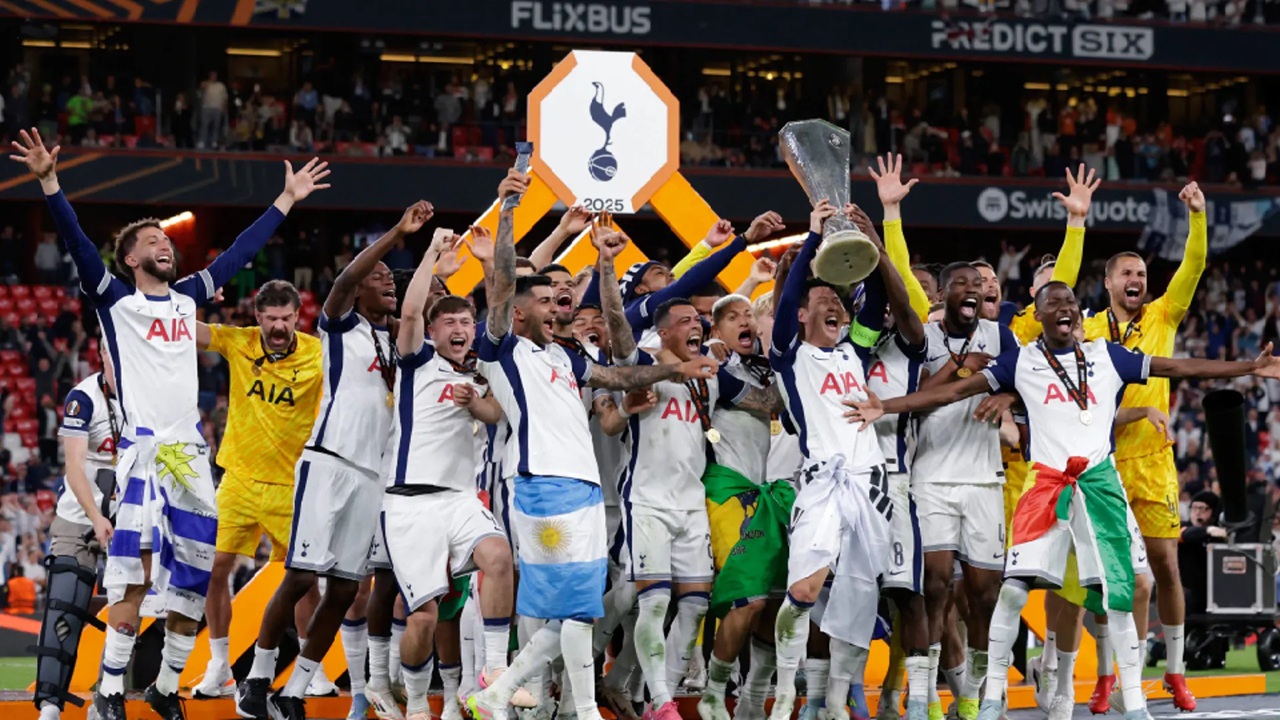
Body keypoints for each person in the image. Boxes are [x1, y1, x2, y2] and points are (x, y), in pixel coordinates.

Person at [843, 281, 1280, 720]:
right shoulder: (1022, 360)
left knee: (1119, 594)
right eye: (1053, 302)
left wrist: (1249, 367)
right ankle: (991, 699)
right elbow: (955, 391)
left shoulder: (1108, 356)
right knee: (1011, 593)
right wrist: (888, 407)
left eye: (1070, 301)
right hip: (1046, 487)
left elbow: (1178, 366)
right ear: (1040, 316)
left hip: (1100, 487)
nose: (1065, 307)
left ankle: (1134, 704)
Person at [10, 127, 330, 720]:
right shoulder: (114, 299)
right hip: (142, 454)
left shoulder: (186, 298)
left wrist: (286, 200)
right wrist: (50, 183)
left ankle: (164, 687)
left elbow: (238, 255)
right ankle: (109, 691)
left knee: (193, 580)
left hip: (190, 456)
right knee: (132, 579)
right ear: (131, 258)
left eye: (166, 239)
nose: (165, 244)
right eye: (152, 240)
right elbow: (77, 242)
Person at [465, 169, 718, 720]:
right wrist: (507, 210)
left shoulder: (565, 356)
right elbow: (502, 283)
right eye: (545, 301)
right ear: (519, 312)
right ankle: (514, 695)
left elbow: (619, 377)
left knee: (579, 611)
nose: (557, 306)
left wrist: (673, 370)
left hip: (582, 490)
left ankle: (541, 702)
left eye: (557, 300)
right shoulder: (503, 351)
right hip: (543, 487)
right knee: (561, 610)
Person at [236, 200, 432, 720]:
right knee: (301, 577)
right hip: (329, 462)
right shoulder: (341, 325)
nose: (388, 282)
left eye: (391, 277)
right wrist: (397, 233)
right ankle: (257, 679)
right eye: (379, 277)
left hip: (373, 479)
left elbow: (423, 312)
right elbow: (345, 280)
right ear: (361, 287)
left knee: (346, 590)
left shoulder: (400, 341)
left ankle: (295, 690)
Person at [1080, 181, 1207, 714]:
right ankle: (1106, 675)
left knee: (1166, 568)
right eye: (1127, 274)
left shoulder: (1162, 316)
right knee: (1111, 577)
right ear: (1109, 282)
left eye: (1142, 275)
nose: (1137, 280)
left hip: (1154, 463)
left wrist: (1197, 217)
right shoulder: (1087, 330)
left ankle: (1174, 672)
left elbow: (1193, 267)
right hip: (1104, 464)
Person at [765, 200, 895, 720]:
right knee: (803, 588)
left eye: (838, 298)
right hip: (822, 484)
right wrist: (815, 238)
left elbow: (877, 300)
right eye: (822, 298)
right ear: (802, 313)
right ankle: (783, 697)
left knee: (860, 599)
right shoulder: (789, 356)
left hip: (870, 483)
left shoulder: (854, 352)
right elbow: (789, 297)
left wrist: (871, 244)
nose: (834, 304)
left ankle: (837, 704)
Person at [384, 229, 513, 720]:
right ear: (434, 333)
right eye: (449, 322)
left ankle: (495, 672)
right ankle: (418, 702)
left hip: (460, 498)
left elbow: (496, 413)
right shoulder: (417, 364)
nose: (459, 328)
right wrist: (432, 255)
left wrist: (475, 402)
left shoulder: (480, 376)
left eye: (465, 321)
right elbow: (411, 312)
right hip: (410, 502)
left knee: (498, 556)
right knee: (424, 617)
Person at [191, 280, 327, 700]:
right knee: (215, 566)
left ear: (298, 316)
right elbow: (187, 329)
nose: (279, 326)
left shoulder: (319, 353)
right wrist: (191, 296)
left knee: (303, 579)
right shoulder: (241, 342)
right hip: (239, 478)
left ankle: (313, 669)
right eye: (270, 319)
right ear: (258, 318)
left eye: (286, 318)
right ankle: (219, 666)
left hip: (291, 484)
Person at [31, 354, 121, 720]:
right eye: (114, 356)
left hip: (130, 518)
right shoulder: (82, 397)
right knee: (63, 607)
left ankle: (107, 699)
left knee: (128, 612)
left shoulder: (148, 394)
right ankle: (50, 705)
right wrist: (97, 517)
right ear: (102, 356)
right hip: (78, 516)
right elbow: (73, 466)